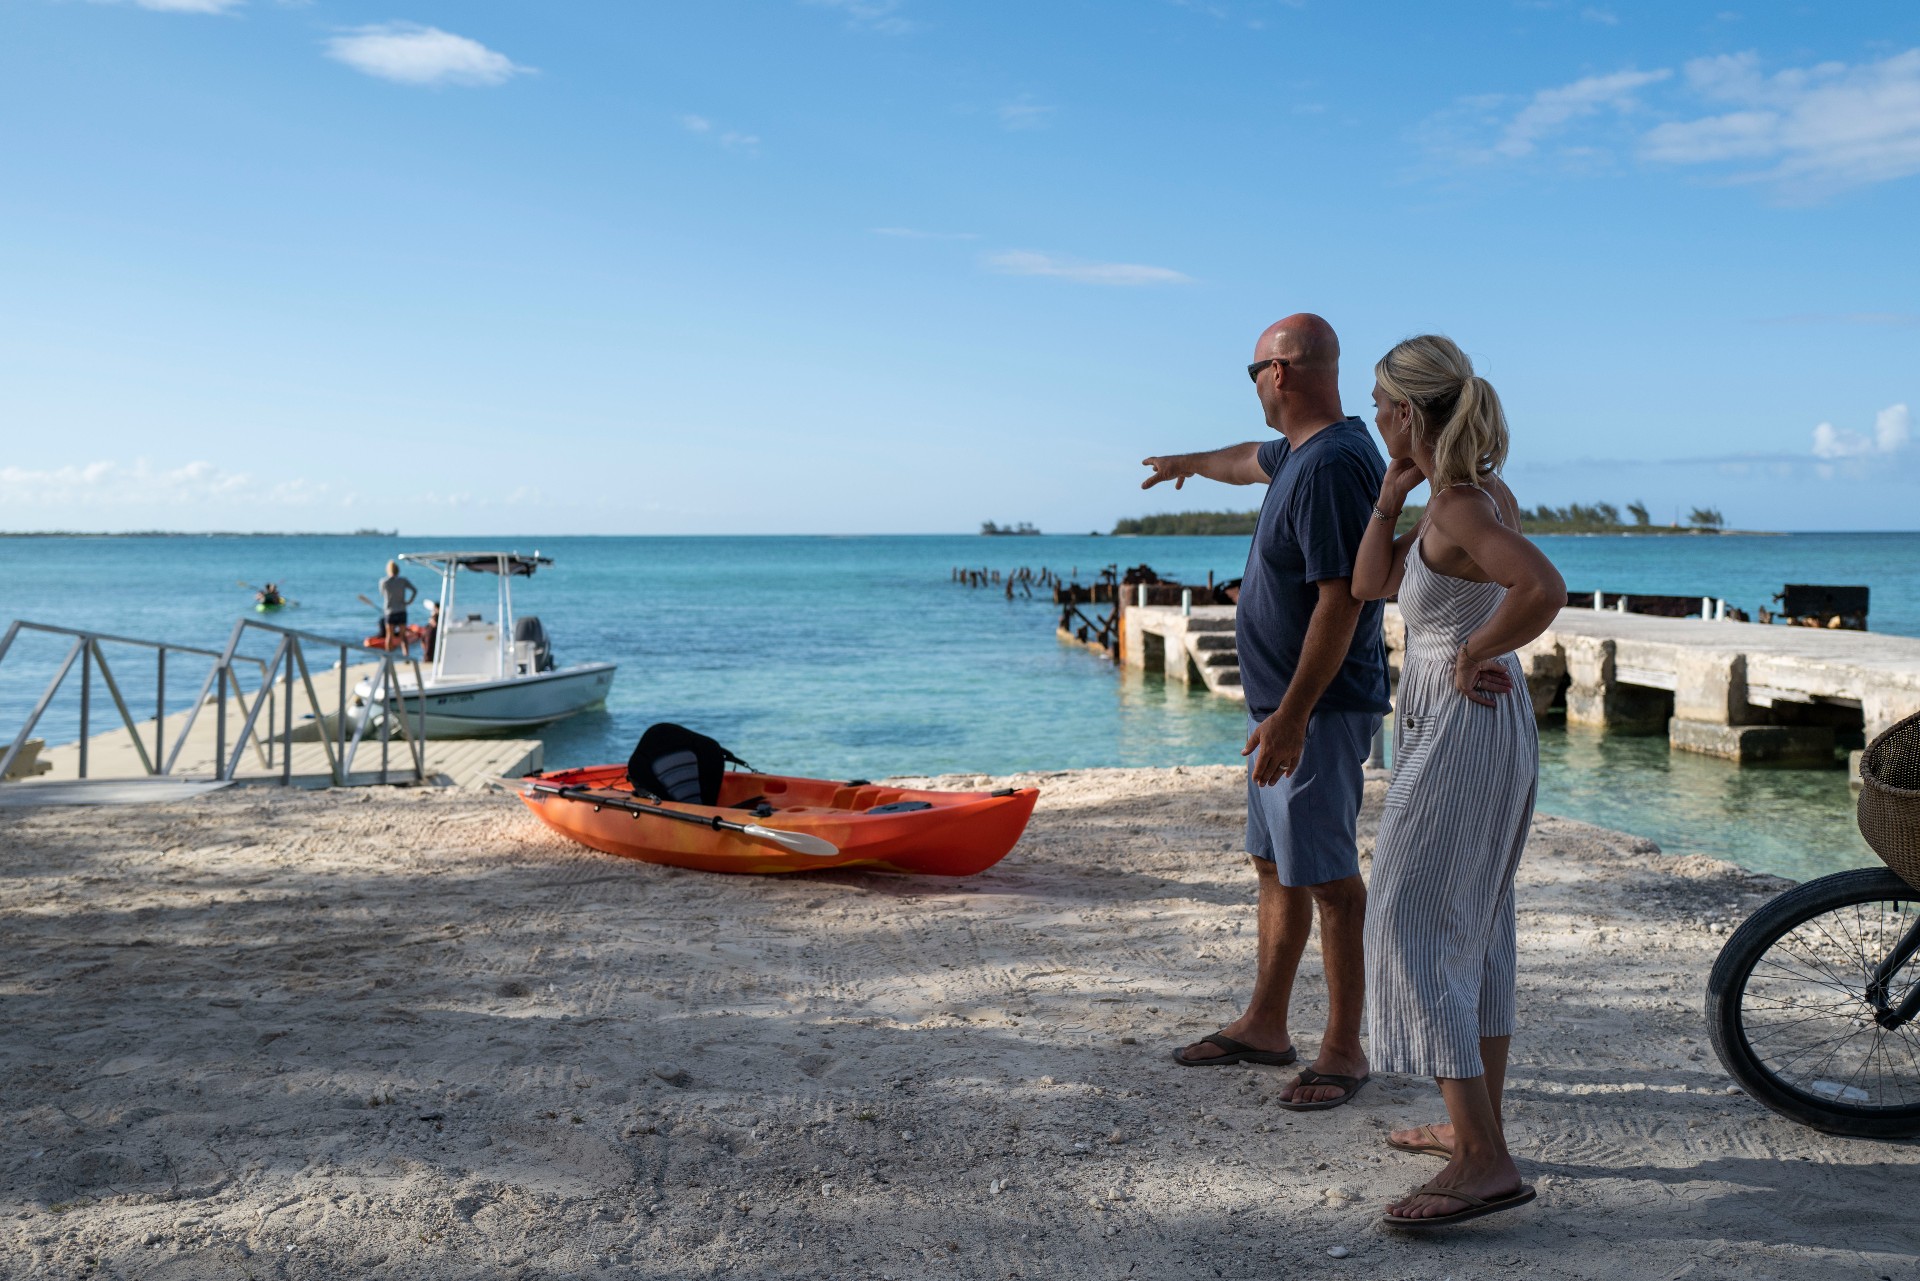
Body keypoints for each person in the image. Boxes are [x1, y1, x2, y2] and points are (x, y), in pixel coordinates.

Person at [1141, 313, 1390, 1108]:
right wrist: (1187, 462)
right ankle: (1265, 1023)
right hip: (1281, 710)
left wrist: (1292, 715)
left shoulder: (1331, 468)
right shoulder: (1302, 454)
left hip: (1312, 710)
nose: (1251, 387)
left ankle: (1345, 1049)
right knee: (1276, 861)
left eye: (1250, 373)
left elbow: (1340, 602)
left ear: (1277, 373)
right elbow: (1245, 460)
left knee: (1330, 877)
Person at [1350, 335, 1565, 1229]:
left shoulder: (1463, 509)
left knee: (1406, 916)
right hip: (1478, 726)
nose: (1370, 413)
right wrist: (1388, 495)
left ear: (1408, 411)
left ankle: (1484, 1159)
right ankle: (1472, 1126)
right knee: (1473, 921)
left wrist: (1476, 648)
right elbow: (1369, 582)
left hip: (1463, 727)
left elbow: (1543, 587)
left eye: (1377, 400)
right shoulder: (1456, 501)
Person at [378, 560, 418, 655]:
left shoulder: (384, 582)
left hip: (390, 612)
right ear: (398, 570)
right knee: (403, 636)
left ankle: (388, 657)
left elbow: (382, 594)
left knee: (389, 636)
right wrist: (409, 601)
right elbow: (414, 590)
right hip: (401, 611)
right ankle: (406, 655)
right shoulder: (403, 580)